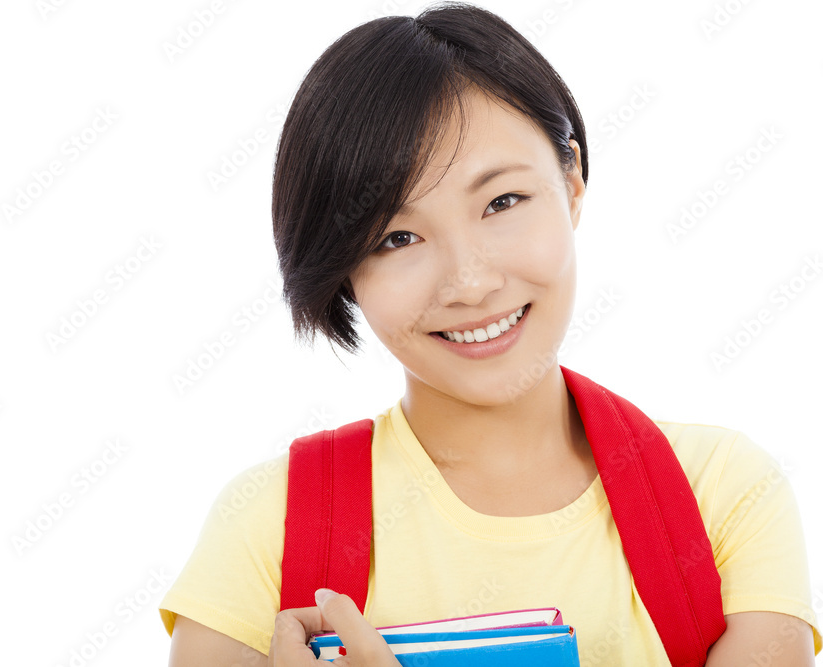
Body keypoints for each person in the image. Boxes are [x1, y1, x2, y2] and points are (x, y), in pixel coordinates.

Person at [161, 2, 821, 665]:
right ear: (343, 269)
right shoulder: (265, 529)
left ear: (572, 181)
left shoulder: (725, 497)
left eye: (502, 202)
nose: (469, 282)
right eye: (397, 237)